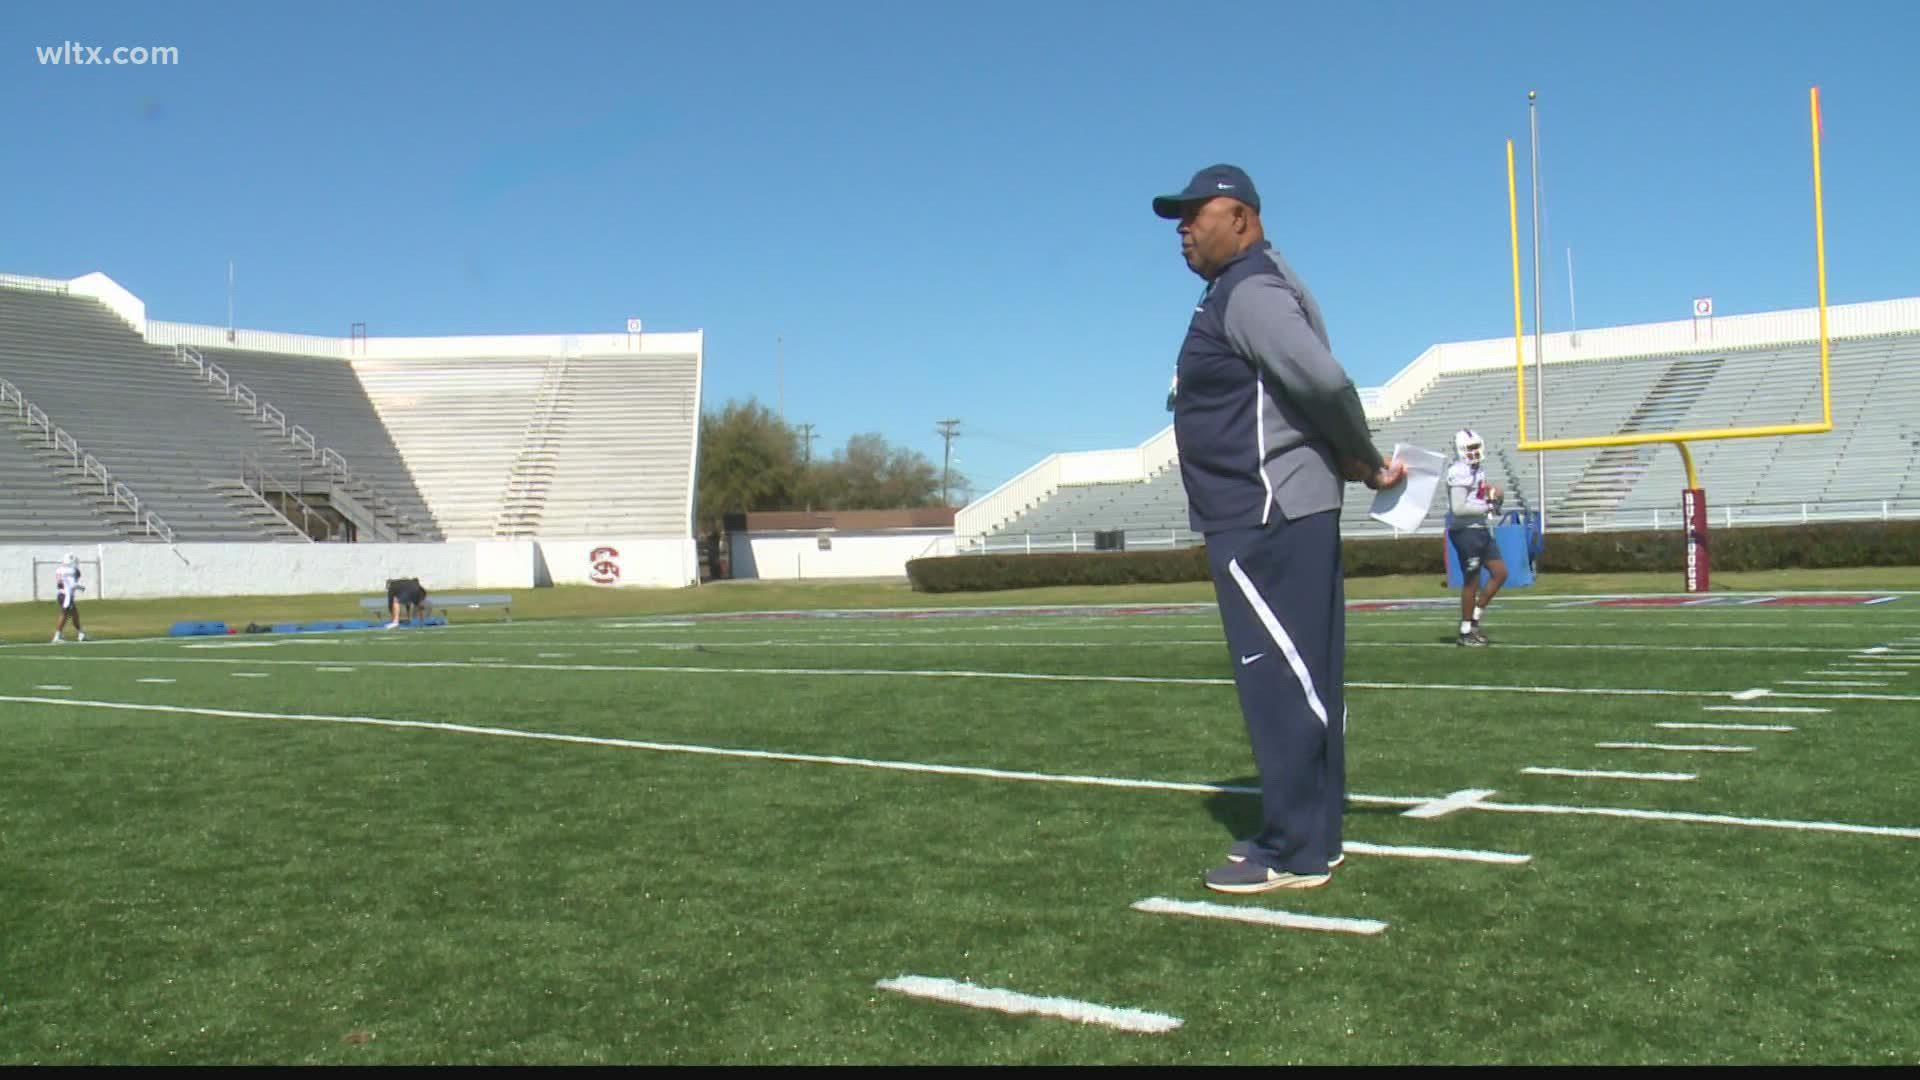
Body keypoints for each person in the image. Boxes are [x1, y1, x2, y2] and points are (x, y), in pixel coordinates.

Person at [1154, 164, 1405, 894]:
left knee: (1282, 682)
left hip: (1263, 514)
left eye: (1194, 214)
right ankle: (1313, 836)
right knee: (1306, 678)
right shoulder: (1256, 284)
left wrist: (1359, 453)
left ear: (1240, 216)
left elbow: (1321, 380)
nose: (1183, 229)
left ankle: (1294, 848)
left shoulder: (1249, 292)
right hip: (1277, 510)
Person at [1445, 429, 1508, 647]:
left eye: (1475, 447)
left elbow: (1480, 495)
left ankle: (1475, 618)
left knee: (1500, 573)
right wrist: (1486, 506)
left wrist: (1493, 493)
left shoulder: (1477, 469)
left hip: (1480, 529)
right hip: (1465, 532)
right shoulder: (1458, 471)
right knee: (1471, 581)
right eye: (1469, 448)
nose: (1474, 452)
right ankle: (1465, 631)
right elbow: (1459, 508)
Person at [52, 552, 87, 643]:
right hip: (66, 596)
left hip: (61, 594)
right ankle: (57, 636)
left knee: (74, 614)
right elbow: (72, 584)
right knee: (65, 614)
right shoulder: (72, 571)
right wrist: (81, 587)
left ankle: (81, 633)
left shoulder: (59, 569)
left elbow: (60, 583)